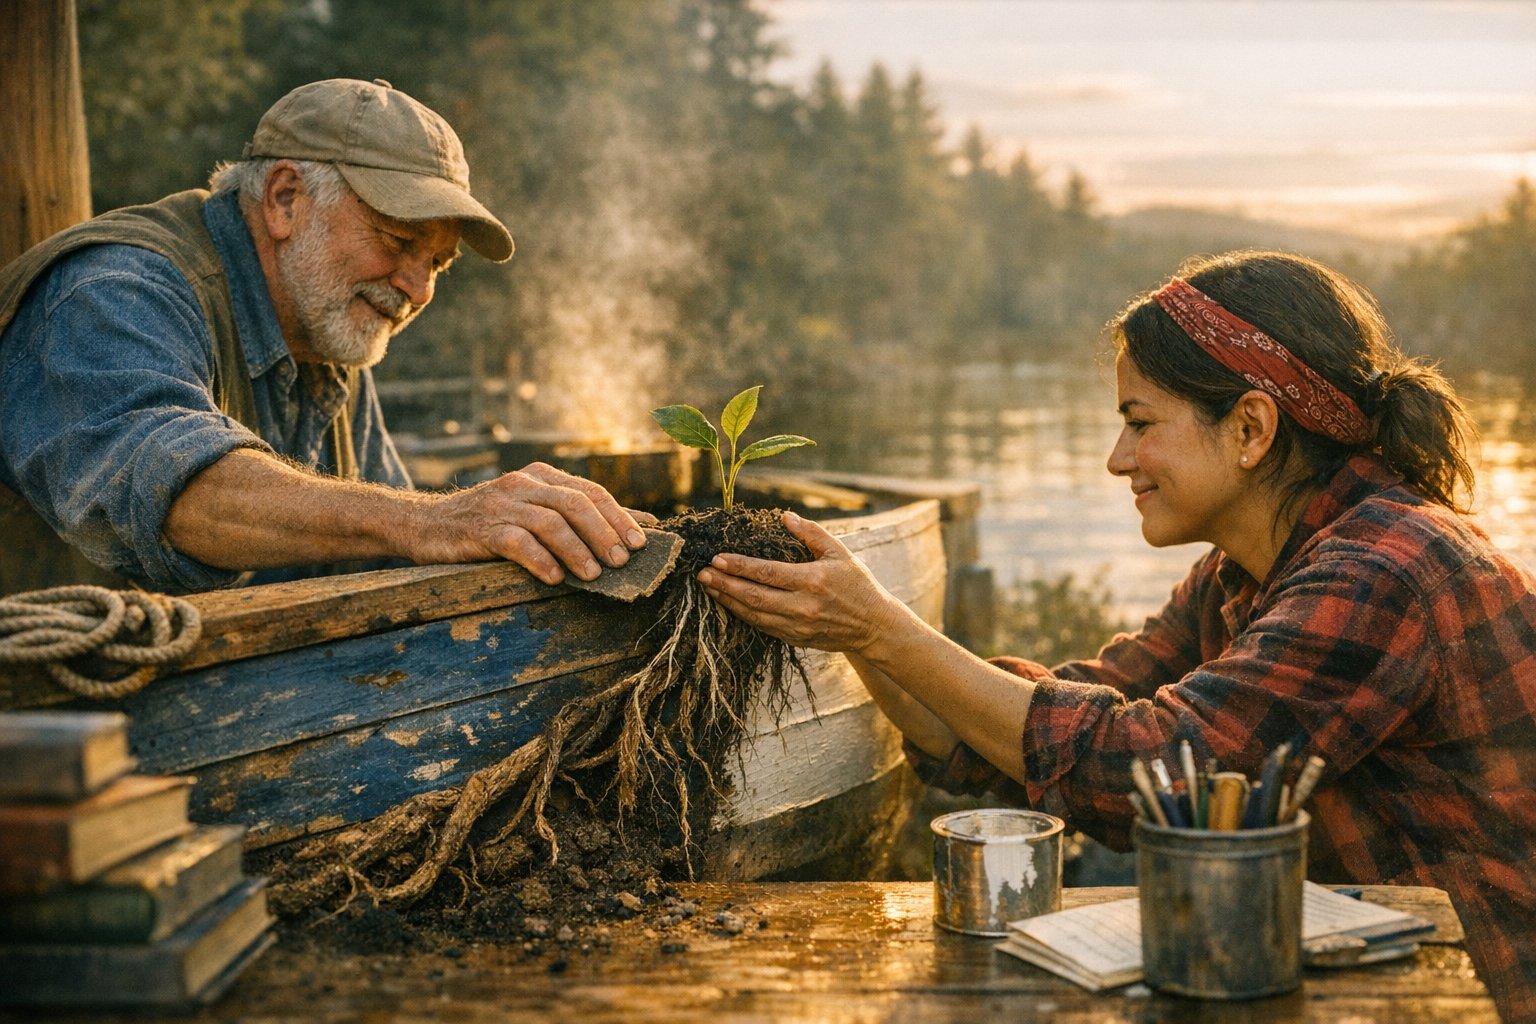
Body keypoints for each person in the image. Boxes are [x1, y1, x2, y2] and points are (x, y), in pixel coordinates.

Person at [698, 250, 1536, 1021]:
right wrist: (854, 628)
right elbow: (1016, 733)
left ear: (1251, 429)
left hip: (1481, 991)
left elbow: (1146, 764)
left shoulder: (1382, 571)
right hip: (1362, 960)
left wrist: (879, 623)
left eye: (1140, 422)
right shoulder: (1240, 575)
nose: (1116, 458)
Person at [0, 78, 650, 596]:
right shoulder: (115, 288)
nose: (418, 288)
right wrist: (434, 518)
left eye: (437, 264)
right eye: (399, 243)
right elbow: (173, 490)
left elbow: (386, 562)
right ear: (284, 198)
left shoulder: (327, 346)